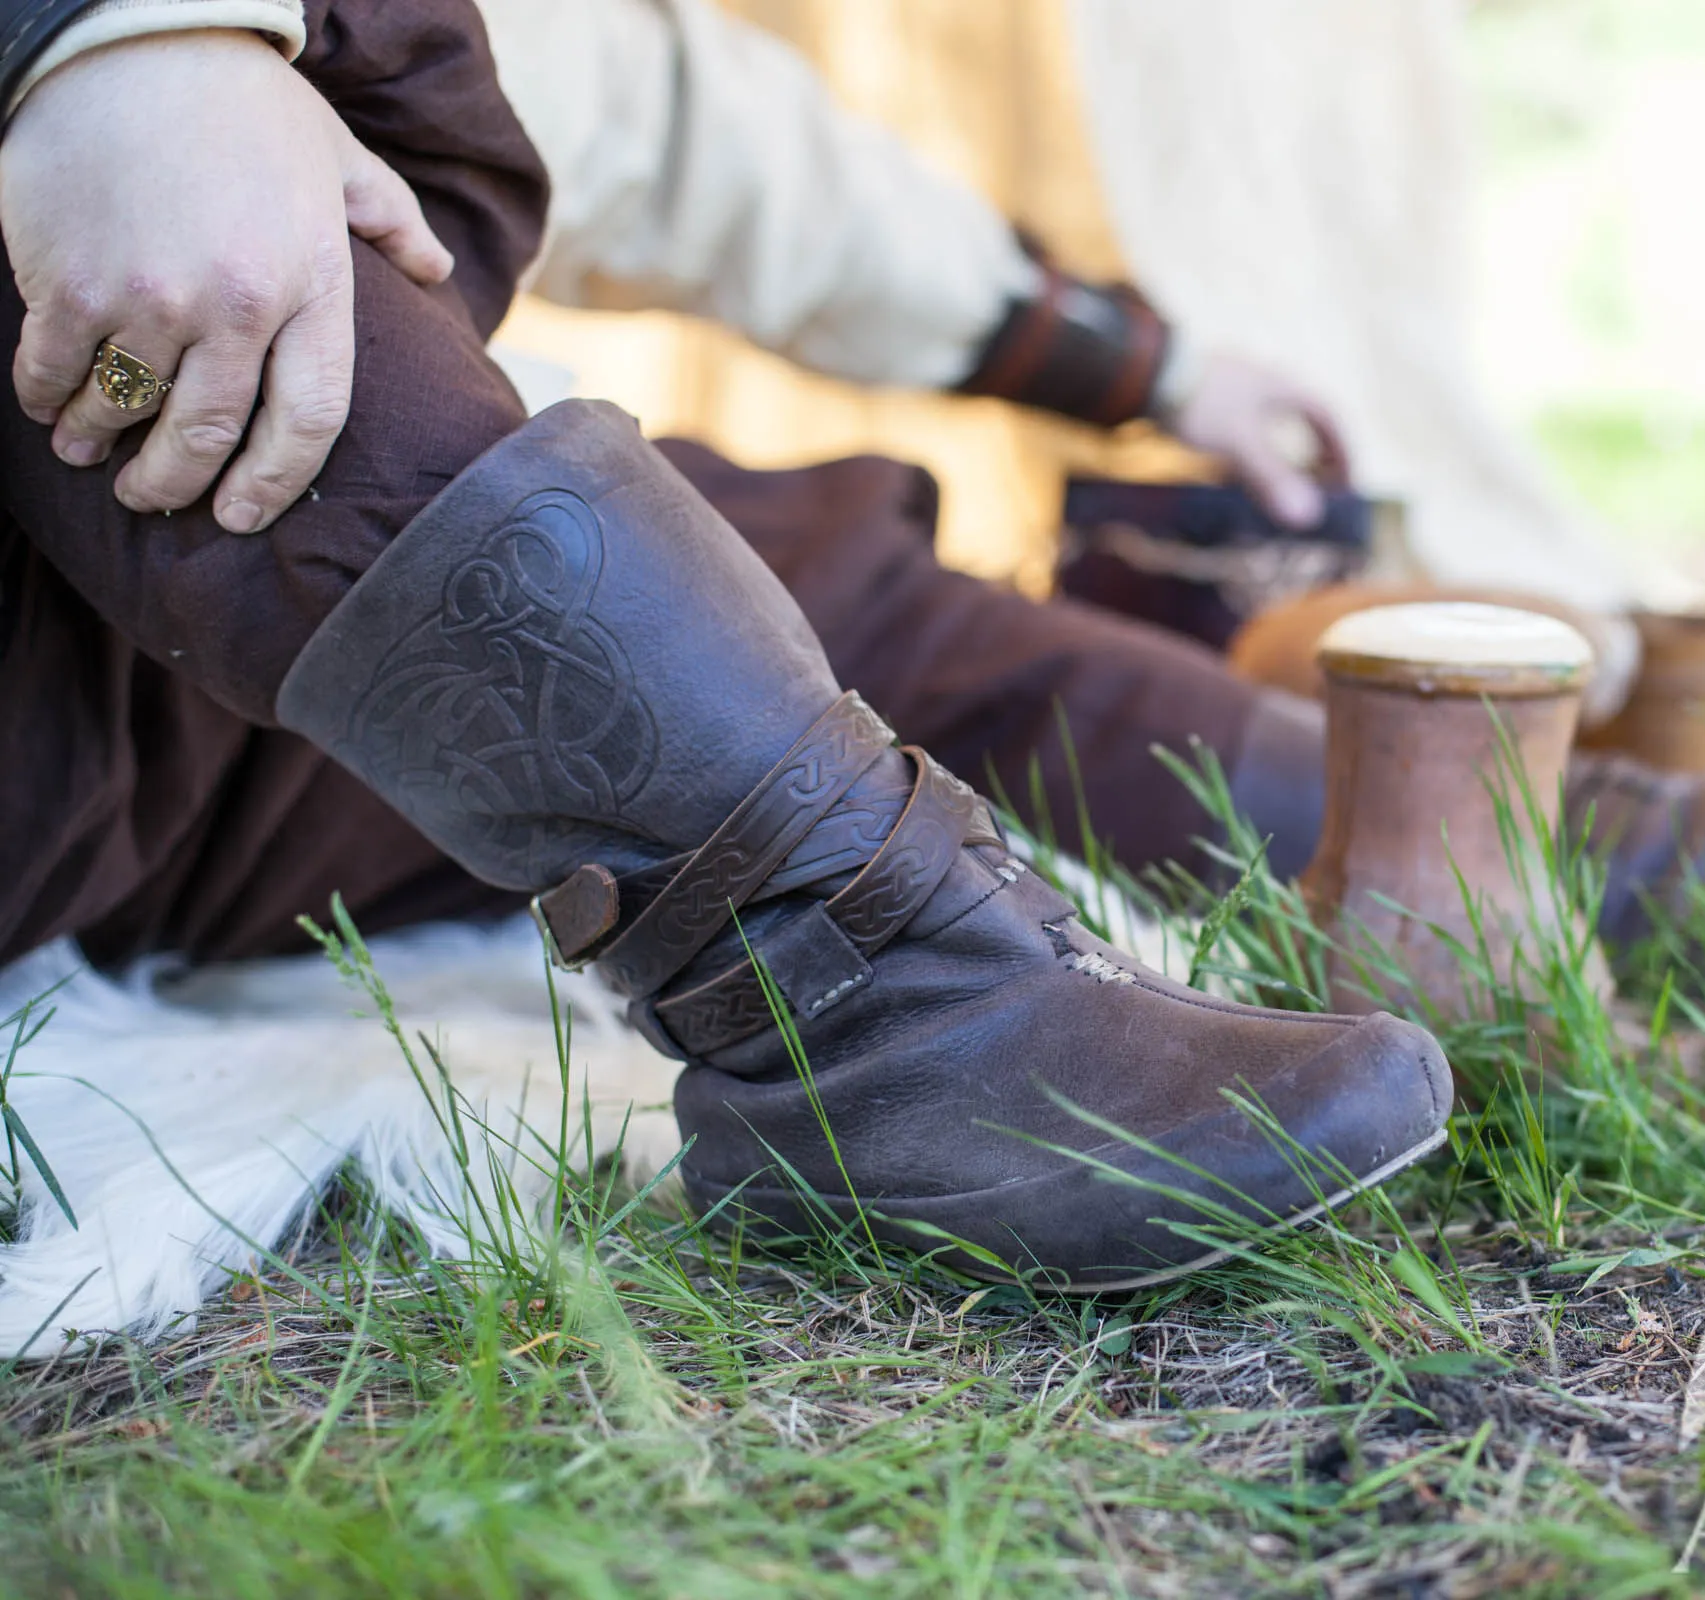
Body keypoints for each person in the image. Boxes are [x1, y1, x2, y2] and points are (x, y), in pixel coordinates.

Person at [0, 1, 1458, 1289]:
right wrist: (101, 57)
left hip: (205, 708)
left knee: (777, 582)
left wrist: (1154, 371)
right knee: (214, 264)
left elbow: (671, 125)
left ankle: (1536, 840)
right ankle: (877, 1017)